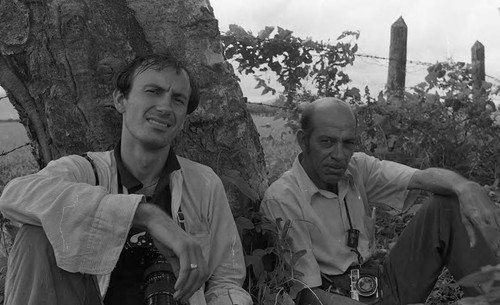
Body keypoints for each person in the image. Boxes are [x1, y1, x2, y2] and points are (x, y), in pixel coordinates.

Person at [0, 54, 252, 305]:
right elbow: (15, 195)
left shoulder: (204, 183)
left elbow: (226, 281)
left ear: (184, 118)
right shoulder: (86, 171)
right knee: (38, 233)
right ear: (121, 100)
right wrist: (145, 215)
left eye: (177, 99)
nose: (164, 107)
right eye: (153, 91)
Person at [260, 97, 500, 305]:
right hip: (336, 296)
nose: (339, 155)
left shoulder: (357, 167)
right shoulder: (283, 199)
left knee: (447, 205)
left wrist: (466, 186)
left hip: (379, 282)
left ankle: (493, 296)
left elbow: (420, 177)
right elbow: (307, 296)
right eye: (327, 142)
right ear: (304, 141)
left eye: (348, 143)